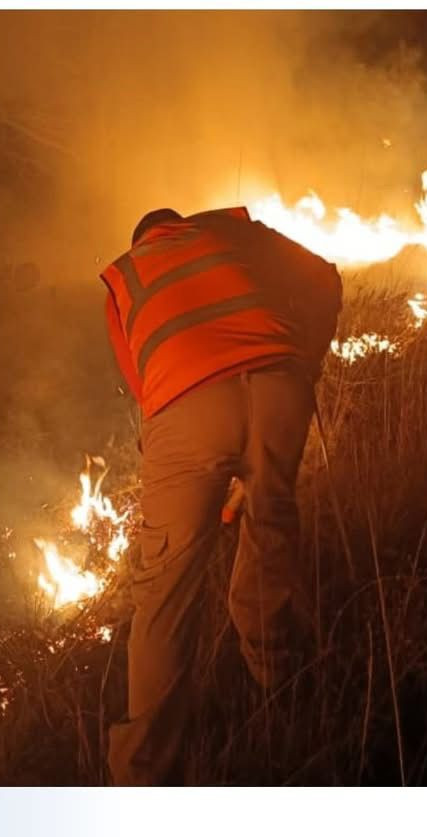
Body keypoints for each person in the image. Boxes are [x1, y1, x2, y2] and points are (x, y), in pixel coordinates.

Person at [100, 205, 342, 785]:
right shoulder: (233, 231)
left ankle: (143, 775)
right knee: (269, 537)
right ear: (182, 224)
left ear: (142, 240)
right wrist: (305, 362)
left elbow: (144, 386)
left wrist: (195, 458)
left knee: (166, 587)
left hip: (187, 406)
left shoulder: (123, 276)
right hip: (281, 385)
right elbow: (324, 277)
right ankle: (280, 684)